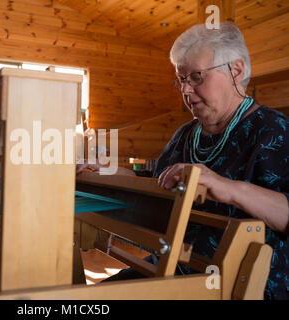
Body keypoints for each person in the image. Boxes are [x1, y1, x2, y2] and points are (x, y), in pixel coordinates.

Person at [79, 22, 289, 300]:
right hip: (172, 269)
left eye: (197, 77)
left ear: (235, 71)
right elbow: (160, 183)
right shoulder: (186, 134)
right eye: (181, 80)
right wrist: (115, 174)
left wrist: (230, 188)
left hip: (241, 284)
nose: (186, 91)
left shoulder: (275, 131)